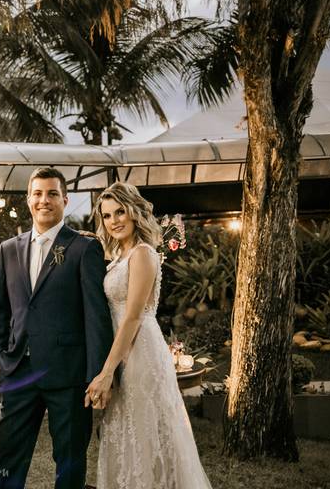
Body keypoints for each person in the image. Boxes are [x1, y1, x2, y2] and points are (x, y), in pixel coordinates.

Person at [0, 167, 113, 489]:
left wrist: (96, 374)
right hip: (19, 372)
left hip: (68, 375)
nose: (44, 200)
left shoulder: (83, 248)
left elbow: (96, 316)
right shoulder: (8, 249)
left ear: (65, 201)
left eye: (52, 194)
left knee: (69, 462)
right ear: (28, 199)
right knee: (8, 459)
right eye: (38, 193)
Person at [84, 182, 212, 489]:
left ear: (134, 211)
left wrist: (106, 372)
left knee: (144, 432)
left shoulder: (142, 253)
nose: (113, 221)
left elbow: (132, 317)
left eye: (119, 212)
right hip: (122, 350)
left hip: (140, 351)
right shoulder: (120, 254)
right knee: (126, 430)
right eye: (106, 216)